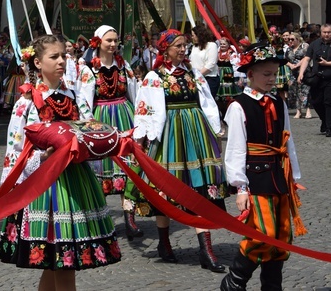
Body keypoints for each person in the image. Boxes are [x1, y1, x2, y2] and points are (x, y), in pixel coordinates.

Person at [0, 35, 120, 290]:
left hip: (75, 183)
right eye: (54, 56)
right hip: (44, 186)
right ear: (38, 63)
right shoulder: (27, 102)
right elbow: (14, 150)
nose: (62, 61)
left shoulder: (73, 94)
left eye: (63, 55)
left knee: (60, 263)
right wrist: (41, 157)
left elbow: (89, 128)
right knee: (62, 261)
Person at [133, 29, 228, 272]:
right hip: (168, 135)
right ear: (165, 49)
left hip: (195, 134)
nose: (182, 49)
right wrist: (142, 140)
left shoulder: (193, 73)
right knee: (165, 188)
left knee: (199, 191)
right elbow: (144, 109)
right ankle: (164, 243)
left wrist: (214, 126)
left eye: (184, 45)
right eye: (177, 45)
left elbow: (206, 100)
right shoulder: (154, 77)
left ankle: (206, 251)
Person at [221, 43, 303, 291]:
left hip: (278, 176)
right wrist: (240, 187)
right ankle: (234, 280)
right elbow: (235, 148)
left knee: (282, 235)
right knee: (264, 233)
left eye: (274, 73)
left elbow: (287, 141)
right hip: (255, 178)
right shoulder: (238, 105)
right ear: (250, 74)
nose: (272, 79)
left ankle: (271, 286)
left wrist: (294, 177)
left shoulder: (278, 102)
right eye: (266, 74)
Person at [77, 25, 142, 240]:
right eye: (109, 41)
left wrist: (140, 122)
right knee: (101, 169)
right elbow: (84, 102)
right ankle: (102, 219)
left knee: (129, 168)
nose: (113, 44)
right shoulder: (89, 69)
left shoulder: (124, 67)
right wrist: (90, 126)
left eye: (115, 40)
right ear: (98, 42)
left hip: (124, 116)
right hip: (101, 120)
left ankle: (130, 218)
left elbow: (136, 95)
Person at [297, 23, 331, 135]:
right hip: (317, 78)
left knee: (328, 102)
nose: (326, 34)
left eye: (329, 32)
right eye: (324, 32)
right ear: (320, 33)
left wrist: (328, 63)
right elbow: (306, 59)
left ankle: (329, 128)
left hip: (330, 78)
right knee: (316, 102)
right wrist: (301, 73)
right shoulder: (314, 44)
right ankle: (325, 121)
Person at [286, 32, 312, 119]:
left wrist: (297, 65)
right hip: (293, 73)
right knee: (295, 91)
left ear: (298, 39)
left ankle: (308, 110)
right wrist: (290, 65)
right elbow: (286, 60)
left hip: (304, 72)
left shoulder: (304, 46)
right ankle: (299, 111)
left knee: (305, 91)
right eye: (289, 39)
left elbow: (307, 57)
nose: (290, 41)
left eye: (292, 39)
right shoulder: (288, 49)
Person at [191, 25, 220, 98]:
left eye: (193, 35)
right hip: (196, 78)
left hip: (209, 79)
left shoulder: (212, 45)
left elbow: (211, 64)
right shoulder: (194, 47)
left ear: (199, 35)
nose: (192, 37)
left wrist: (198, 75)